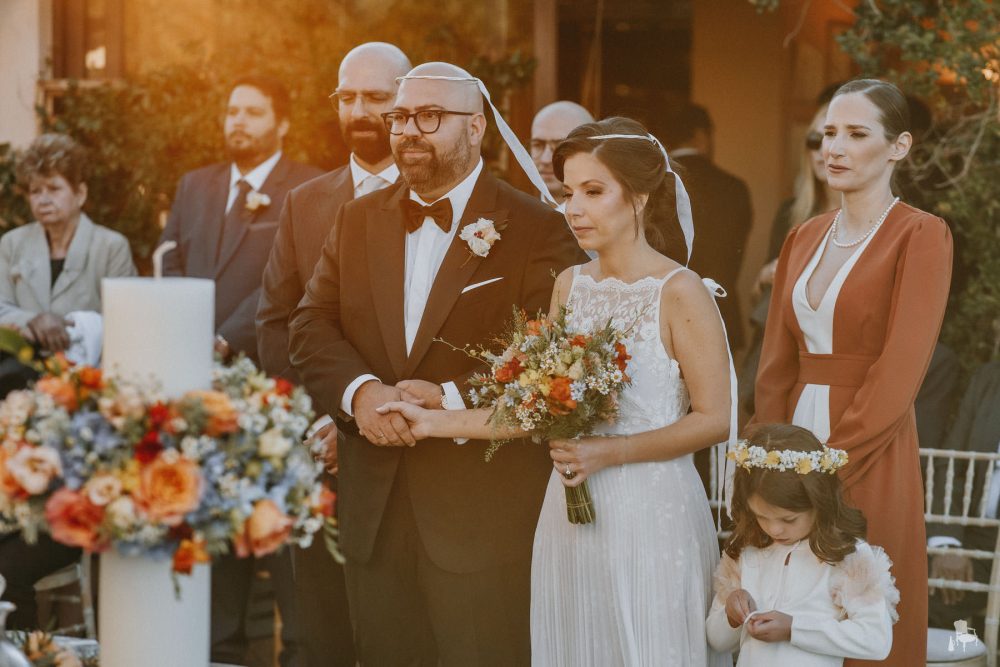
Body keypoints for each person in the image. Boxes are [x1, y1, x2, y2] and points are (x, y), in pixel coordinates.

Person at [379, 116, 733, 666]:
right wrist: (431, 421)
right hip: (570, 515)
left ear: (639, 198)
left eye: (593, 192)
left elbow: (715, 419)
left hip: (652, 512)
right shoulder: (570, 284)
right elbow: (536, 407)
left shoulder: (681, 291)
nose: (574, 208)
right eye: (568, 193)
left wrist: (609, 452)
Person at [287, 61, 583, 666]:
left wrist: (448, 398)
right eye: (399, 117)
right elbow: (311, 322)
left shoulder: (537, 226)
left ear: (475, 127)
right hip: (374, 510)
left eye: (429, 117)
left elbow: (548, 353)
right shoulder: (356, 218)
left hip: (481, 518)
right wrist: (361, 393)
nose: (406, 132)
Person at [753, 78, 953, 666]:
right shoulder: (802, 236)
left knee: (858, 600)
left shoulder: (921, 234)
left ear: (899, 146)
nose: (834, 148)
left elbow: (900, 370)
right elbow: (775, 362)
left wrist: (828, 465)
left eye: (856, 134)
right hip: (791, 440)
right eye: (829, 134)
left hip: (869, 445)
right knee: (785, 600)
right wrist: (771, 457)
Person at [255, 41, 411, 667]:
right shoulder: (305, 202)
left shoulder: (445, 204)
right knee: (323, 635)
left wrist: (369, 420)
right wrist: (324, 421)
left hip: (410, 460)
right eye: (348, 97)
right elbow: (276, 323)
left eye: (376, 97)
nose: (360, 111)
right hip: (320, 458)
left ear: (407, 101)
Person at [159, 74, 320, 667]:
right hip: (201, 390)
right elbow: (170, 261)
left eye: (253, 111)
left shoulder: (308, 187)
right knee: (216, 527)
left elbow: (296, 282)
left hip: (273, 385)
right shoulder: (194, 186)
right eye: (232, 111)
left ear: (282, 122)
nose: (238, 122)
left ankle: (301, 652)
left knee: (285, 539)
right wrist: (184, 332)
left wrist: (225, 339)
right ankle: (220, 654)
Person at [0, 132, 136, 629]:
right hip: (16, 403)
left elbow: (126, 317)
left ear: (80, 193)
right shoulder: (11, 245)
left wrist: (76, 327)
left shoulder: (110, 247)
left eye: (54, 188)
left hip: (83, 415)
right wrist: (32, 320)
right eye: (35, 190)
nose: (43, 200)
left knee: (28, 541)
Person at [706, 424, 898, 666]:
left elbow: (876, 640)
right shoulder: (747, 551)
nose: (774, 529)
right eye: (761, 516)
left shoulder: (846, 556)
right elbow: (716, 641)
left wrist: (794, 629)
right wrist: (731, 616)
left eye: (788, 519)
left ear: (819, 503)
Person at [739, 102, 837, 417]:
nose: (822, 151)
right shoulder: (791, 213)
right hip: (784, 337)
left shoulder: (868, 220)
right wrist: (769, 273)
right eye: (814, 141)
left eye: (831, 138)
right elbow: (759, 290)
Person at [658, 102, 752, 352]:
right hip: (720, 311)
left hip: (663, 313)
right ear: (702, 135)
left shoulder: (656, 186)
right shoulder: (734, 187)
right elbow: (733, 257)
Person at [926, 360, 1000, 633]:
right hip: (966, 530)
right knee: (891, 573)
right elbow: (951, 464)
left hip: (994, 548)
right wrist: (947, 543)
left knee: (926, 598)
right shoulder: (989, 377)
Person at [529, 101, 595, 203]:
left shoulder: (608, 213)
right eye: (538, 145)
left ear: (590, 150)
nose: (545, 160)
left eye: (560, 146)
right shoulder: (516, 211)